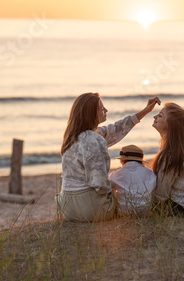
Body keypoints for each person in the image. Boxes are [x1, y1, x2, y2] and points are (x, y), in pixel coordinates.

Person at [56, 92, 161, 222]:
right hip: (89, 209)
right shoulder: (95, 140)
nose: (106, 110)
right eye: (101, 108)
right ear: (91, 114)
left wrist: (145, 111)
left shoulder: (72, 138)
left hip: (67, 207)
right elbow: (100, 184)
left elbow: (116, 129)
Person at [109, 144, 156, 217]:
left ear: (122, 160)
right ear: (141, 160)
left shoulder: (115, 174)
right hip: (145, 212)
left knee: (110, 189)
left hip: (124, 212)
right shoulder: (150, 173)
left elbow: (105, 188)